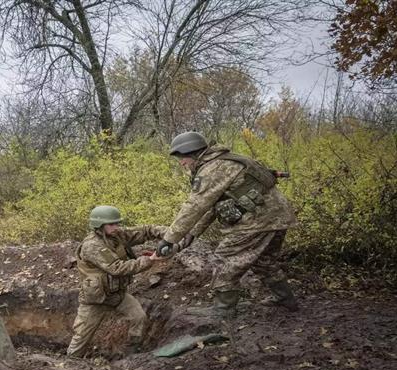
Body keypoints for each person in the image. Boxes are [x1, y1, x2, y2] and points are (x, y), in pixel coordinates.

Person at [156, 131, 299, 317]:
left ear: (192, 153)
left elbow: (194, 207)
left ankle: (223, 309)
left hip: (257, 221)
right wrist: (188, 237)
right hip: (277, 217)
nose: (182, 163)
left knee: (224, 259)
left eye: (182, 158)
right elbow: (211, 208)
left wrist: (168, 239)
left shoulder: (213, 169)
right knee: (264, 261)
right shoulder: (227, 160)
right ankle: (286, 300)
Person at [67, 205, 166, 358]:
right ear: (99, 225)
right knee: (82, 336)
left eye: (117, 223)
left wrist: (169, 234)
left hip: (117, 294)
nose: (116, 227)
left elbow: (145, 231)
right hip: (95, 300)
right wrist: (149, 260)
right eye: (111, 224)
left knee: (139, 318)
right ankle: (71, 363)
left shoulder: (116, 235)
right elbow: (117, 268)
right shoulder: (92, 245)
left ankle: (131, 354)